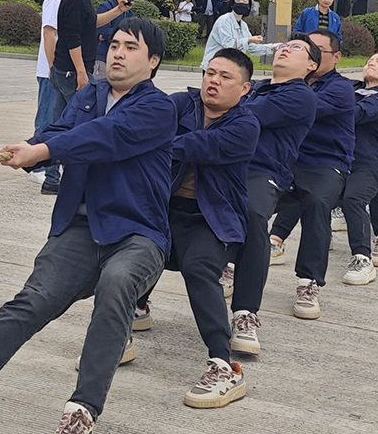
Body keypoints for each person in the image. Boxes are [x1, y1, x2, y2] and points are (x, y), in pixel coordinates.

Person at [0, 20, 175, 434]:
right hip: (79, 230)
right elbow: (58, 132)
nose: (117, 53)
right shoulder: (89, 96)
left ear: (152, 61)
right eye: (113, 45)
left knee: (117, 285)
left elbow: (106, 138)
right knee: (31, 302)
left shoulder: (159, 107)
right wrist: (30, 147)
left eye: (130, 47)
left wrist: (43, 152)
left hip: (136, 235)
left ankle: (82, 413)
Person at [150, 48, 259, 408]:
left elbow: (199, 146)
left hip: (212, 218)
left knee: (198, 268)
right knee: (128, 252)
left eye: (225, 76)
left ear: (244, 88)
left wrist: (152, 141)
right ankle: (123, 327)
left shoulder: (245, 125)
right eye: (209, 73)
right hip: (165, 209)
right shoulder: (180, 104)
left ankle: (223, 365)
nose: (213, 81)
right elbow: (144, 120)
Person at [225, 38, 318, 356]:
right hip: (221, 163)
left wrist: (219, 101)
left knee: (253, 217)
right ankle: (138, 301)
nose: (285, 49)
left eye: (297, 48)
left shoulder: (301, 95)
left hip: (261, 171)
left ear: (311, 65)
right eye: (284, 45)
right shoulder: (256, 87)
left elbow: (242, 114)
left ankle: (245, 313)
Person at [263, 30, 356, 320]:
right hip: (287, 160)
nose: (301, 50)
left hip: (325, 163)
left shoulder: (339, 88)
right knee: (251, 201)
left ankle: (309, 281)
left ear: (333, 57)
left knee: (316, 202)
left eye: (315, 49)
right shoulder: (280, 84)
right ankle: (231, 264)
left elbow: (297, 109)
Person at [335, 52, 378, 286]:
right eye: (369, 60)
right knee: (308, 196)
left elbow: (356, 115)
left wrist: (330, 105)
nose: (371, 63)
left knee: (354, 199)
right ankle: (276, 240)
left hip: (367, 161)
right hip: (337, 158)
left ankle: (363, 258)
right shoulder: (352, 88)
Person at [48, 0, 100, 190]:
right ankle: (76, 177)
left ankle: (52, 177)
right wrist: (81, 72)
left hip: (66, 70)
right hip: (71, 72)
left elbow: (91, 23)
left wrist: (119, 10)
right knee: (82, 123)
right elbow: (72, 38)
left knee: (59, 123)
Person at [33, 0, 70, 193]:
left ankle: (50, 165)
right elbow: (49, 33)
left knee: (57, 119)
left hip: (60, 71)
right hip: (50, 71)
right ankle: (39, 167)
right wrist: (52, 66)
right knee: (46, 119)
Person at [202, 0, 274, 65]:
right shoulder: (224, 20)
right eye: (238, 1)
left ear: (248, 6)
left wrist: (273, 46)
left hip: (231, 66)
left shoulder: (243, 25)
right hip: (214, 66)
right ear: (232, 4)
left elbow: (252, 47)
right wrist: (249, 40)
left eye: (245, 1)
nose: (241, 3)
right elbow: (229, 45)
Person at [90, 0, 140, 82]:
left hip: (122, 59)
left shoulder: (130, 14)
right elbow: (104, 31)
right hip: (102, 57)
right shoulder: (105, 7)